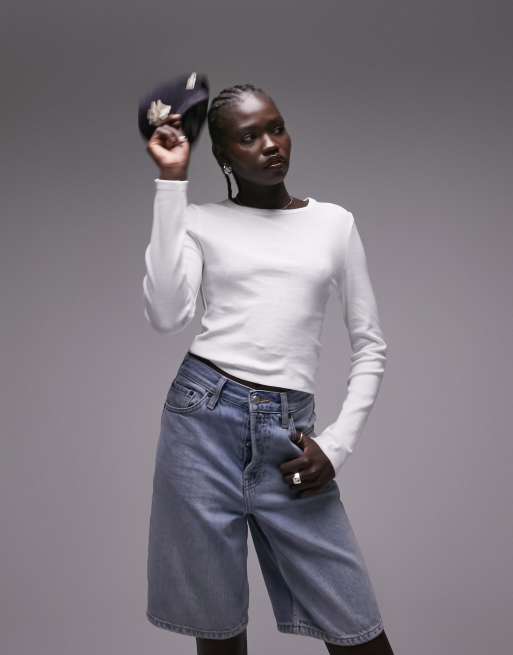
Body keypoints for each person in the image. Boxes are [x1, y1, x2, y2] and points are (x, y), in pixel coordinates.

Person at [142, 83, 394, 655]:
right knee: (219, 633)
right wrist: (171, 184)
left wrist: (336, 446)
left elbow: (371, 347)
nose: (270, 144)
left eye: (276, 128)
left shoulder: (333, 223)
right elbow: (166, 314)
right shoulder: (200, 221)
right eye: (249, 136)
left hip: (288, 438)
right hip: (202, 425)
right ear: (224, 155)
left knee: (358, 630)